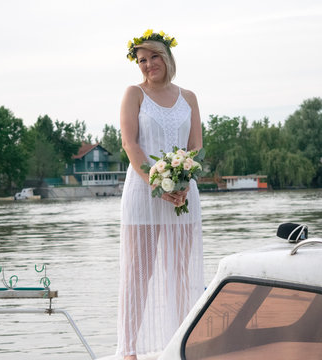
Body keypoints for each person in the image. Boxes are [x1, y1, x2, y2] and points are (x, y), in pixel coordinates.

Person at [117, 30, 204, 359]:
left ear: (167, 57)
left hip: (183, 194)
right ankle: (128, 350)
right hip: (143, 194)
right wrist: (156, 182)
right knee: (139, 273)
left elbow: (195, 145)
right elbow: (131, 144)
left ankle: (181, 343)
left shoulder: (189, 97)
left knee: (180, 273)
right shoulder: (134, 94)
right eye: (141, 60)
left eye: (154, 57)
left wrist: (183, 180)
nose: (148, 64)